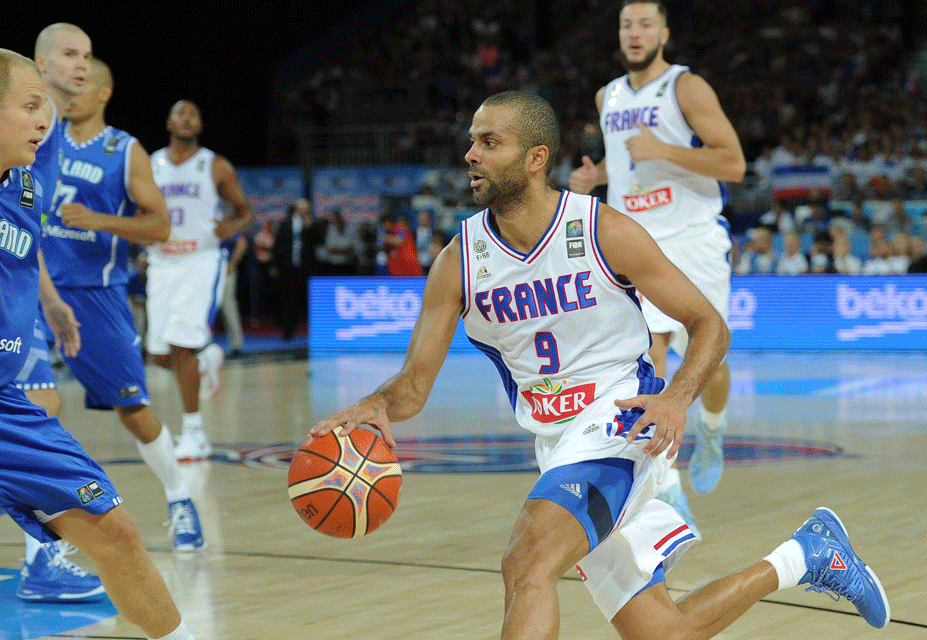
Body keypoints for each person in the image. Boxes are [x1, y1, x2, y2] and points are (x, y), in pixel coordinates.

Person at [310, 90, 889, 640]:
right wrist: (377, 404)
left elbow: (709, 323)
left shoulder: (601, 230)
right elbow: (414, 385)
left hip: (621, 420)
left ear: (536, 158)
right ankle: (807, 555)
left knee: (527, 561)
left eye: (489, 142)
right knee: (664, 632)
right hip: (557, 444)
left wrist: (678, 396)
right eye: (472, 141)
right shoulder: (460, 260)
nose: (470, 154)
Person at [0, 46, 197, 640]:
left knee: (115, 530)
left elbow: (27, 249)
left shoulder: (33, 182)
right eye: (31, 107)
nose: (46, 120)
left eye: (50, 108)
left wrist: (50, 299)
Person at [569, 1, 743, 522]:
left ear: (664, 33)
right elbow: (626, 160)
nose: (635, 33)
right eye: (627, 25)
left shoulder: (686, 87)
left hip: (693, 238)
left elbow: (733, 162)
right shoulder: (607, 95)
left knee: (707, 358)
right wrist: (595, 177)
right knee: (649, 354)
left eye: (645, 24)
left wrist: (666, 150)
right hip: (637, 242)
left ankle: (712, 429)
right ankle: (665, 482)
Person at [0, 22, 106, 602]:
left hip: (12, 300)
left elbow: (22, 235)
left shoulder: (49, 138)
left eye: (88, 55)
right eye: (70, 54)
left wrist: (49, 301)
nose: (82, 65)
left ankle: (35, 547)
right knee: (39, 405)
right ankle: (16, 514)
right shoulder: (12, 123)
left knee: (43, 404)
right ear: (40, 65)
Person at [148, 99, 255, 460]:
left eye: (194, 114)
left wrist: (231, 228)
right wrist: (144, 246)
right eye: (180, 113)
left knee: (181, 346)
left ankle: (194, 433)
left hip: (200, 260)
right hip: (162, 262)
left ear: (200, 125)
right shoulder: (151, 164)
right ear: (168, 122)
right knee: (159, 355)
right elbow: (141, 211)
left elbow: (246, 212)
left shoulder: (215, 165)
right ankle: (207, 360)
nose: (187, 118)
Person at [273, 198, 319, 340]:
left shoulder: (312, 224)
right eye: (302, 208)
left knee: (309, 301)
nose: (304, 211)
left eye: (307, 209)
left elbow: (320, 241)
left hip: (306, 269)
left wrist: (310, 226)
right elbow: (278, 245)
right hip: (289, 268)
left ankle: (314, 333)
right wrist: (275, 265)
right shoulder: (286, 224)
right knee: (289, 300)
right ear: (297, 209)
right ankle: (287, 331)